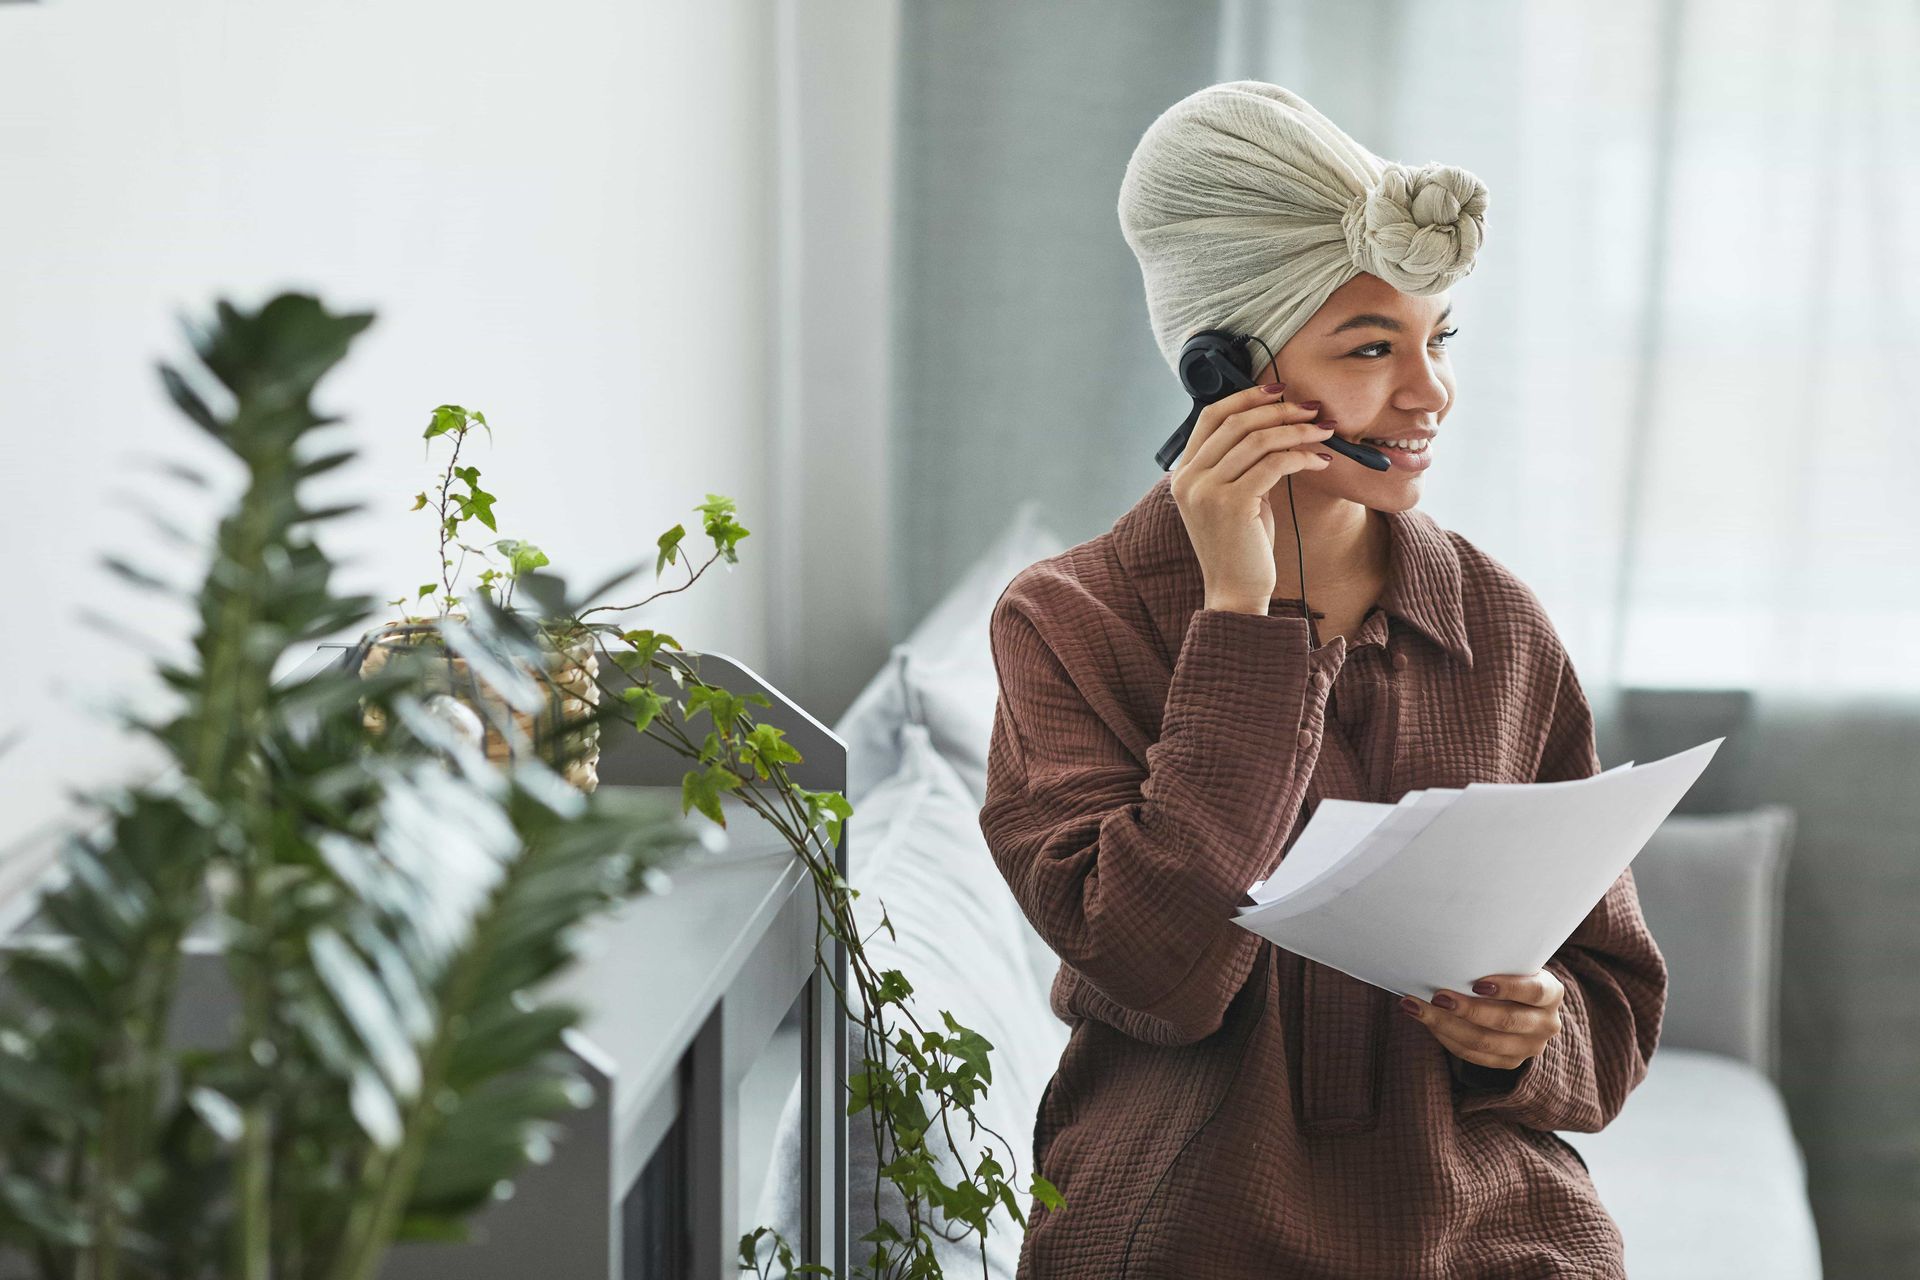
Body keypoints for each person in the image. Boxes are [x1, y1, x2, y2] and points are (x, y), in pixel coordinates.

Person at [977, 81, 1668, 1278]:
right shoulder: (1068, 622)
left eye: (1438, 337)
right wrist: (1242, 622)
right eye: (1369, 347)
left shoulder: (1499, 626)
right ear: (1222, 370)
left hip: (1491, 1234)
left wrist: (1524, 1033)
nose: (1428, 392)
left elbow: (1609, 1012)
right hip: (1190, 1227)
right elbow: (1155, 968)